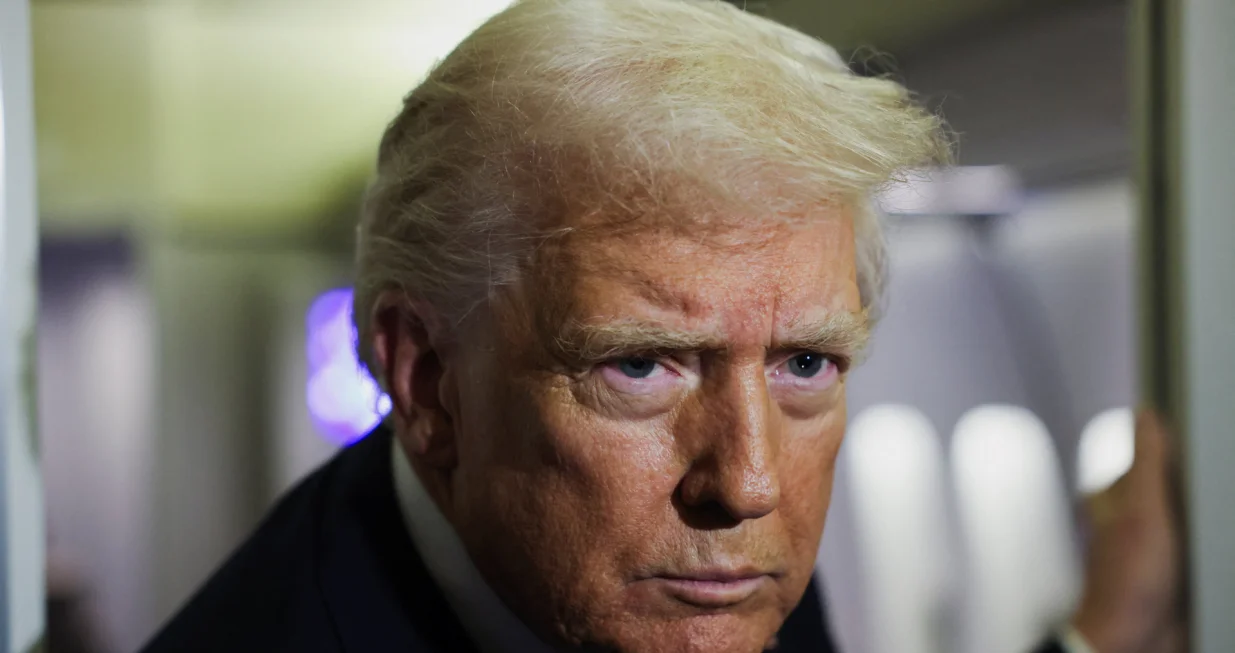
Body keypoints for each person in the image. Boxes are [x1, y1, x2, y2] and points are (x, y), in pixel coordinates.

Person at [138, 1, 1180, 651]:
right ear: (425, 384)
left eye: (805, 361)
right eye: (640, 364)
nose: (748, 480)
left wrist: (1096, 635)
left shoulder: (702, 580)